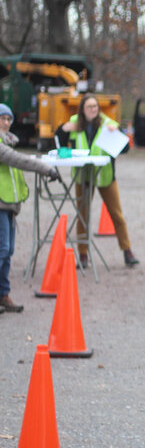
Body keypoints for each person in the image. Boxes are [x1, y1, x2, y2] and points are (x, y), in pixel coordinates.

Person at [56, 94, 139, 268]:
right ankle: (83, 254)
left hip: (105, 176)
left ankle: (127, 251)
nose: (93, 110)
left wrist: (116, 133)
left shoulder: (109, 124)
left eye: (95, 107)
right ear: (82, 110)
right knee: (82, 214)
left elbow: (124, 149)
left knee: (116, 214)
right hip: (83, 177)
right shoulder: (74, 123)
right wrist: (63, 129)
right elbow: (59, 143)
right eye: (89, 107)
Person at [0, 103, 60, 313]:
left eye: (8, 119)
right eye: (2, 119)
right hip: (1, 205)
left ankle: (3, 295)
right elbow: (18, 160)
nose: (6, 123)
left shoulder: (7, 142)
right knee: (2, 250)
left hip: (8, 204)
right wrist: (46, 169)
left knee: (7, 252)